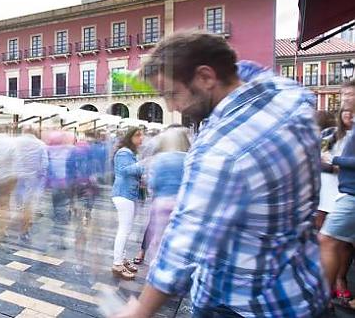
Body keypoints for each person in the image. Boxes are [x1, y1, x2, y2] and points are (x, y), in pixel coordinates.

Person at [115, 32, 328, 317]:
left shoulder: (222, 147)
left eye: (171, 93)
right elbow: (251, 71)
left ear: (205, 77)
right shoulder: (289, 95)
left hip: (243, 302)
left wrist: (141, 309)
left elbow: (186, 239)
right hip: (301, 287)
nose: (171, 107)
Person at [319, 80, 355, 310]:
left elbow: (330, 158)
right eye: (343, 94)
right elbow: (318, 156)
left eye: (349, 93)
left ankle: (322, 296)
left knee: (329, 241)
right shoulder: (331, 134)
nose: (345, 97)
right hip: (333, 190)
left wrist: (336, 161)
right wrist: (333, 166)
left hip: (348, 192)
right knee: (331, 240)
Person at [134, 127, 190, 266]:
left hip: (162, 203)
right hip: (183, 204)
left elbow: (153, 183)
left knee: (158, 240)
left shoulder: (161, 159)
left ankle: (158, 269)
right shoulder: (189, 158)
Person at [110, 127, 145, 281]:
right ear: (130, 137)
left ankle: (122, 260)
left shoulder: (128, 153)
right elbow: (125, 171)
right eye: (138, 135)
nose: (141, 138)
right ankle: (117, 264)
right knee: (124, 230)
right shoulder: (124, 152)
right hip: (123, 194)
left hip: (127, 194)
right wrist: (144, 164)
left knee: (126, 229)